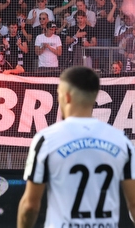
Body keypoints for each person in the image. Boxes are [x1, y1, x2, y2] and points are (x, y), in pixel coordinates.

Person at [18, 66, 135, 228]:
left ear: (66, 97)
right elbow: (134, 204)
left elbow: (30, 206)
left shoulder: (46, 140)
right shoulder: (122, 142)